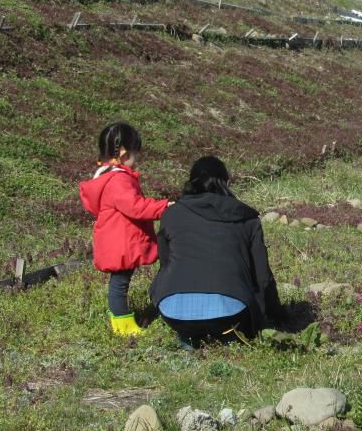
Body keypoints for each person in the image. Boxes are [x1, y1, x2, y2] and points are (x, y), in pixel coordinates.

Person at [150, 156, 282, 349]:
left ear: (191, 182)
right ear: (226, 183)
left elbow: (165, 264)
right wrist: (273, 314)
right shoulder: (248, 219)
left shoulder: (171, 214)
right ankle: (228, 336)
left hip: (173, 311)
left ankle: (188, 335)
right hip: (232, 313)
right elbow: (262, 277)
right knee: (229, 324)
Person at [79, 122, 170, 336]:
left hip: (116, 239)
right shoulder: (118, 180)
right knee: (119, 283)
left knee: (120, 281)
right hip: (120, 242)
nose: (137, 160)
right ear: (123, 153)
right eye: (135, 154)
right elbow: (135, 207)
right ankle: (122, 325)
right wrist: (162, 207)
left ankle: (121, 320)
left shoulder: (106, 176)